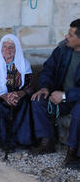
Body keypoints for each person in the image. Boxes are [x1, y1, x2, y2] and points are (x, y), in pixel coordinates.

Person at [31, 19, 80, 169]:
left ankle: (72, 153)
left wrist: (64, 96)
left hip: (75, 99)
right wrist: (45, 87)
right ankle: (47, 142)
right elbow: (48, 69)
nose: (66, 36)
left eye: (71, 35)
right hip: (62, 97)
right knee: (38, 100)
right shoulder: (62, 49)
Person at [0, 35, 35, 152]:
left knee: (25, 103)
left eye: (11, 47)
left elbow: (29, 85)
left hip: (18, 95)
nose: (8, 50)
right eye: (5, 47)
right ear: (1, 48)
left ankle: (23, 141)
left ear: (16, 49)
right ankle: (7, 143)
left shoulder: (24, 63)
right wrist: (5, 96)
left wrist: (19, 94)